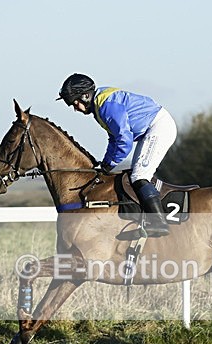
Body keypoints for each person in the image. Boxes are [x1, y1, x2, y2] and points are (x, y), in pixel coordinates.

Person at [57, 73, 177, 236]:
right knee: (137, 175)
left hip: (158, 127)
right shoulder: (100, 106)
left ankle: (159, 222)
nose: (75, 108)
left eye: (75, 102)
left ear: (86, 96)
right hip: (152, 128)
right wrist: (105, 163)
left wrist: (110, 164)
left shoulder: (106, 106)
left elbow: (124, 140)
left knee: (139, 176)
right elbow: (113, 139)